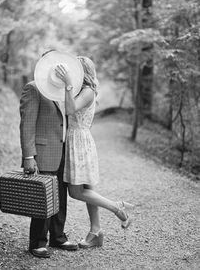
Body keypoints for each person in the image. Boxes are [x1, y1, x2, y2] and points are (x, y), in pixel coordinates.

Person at [55, 56, 133, 248]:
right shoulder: (83, 90)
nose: (72, 74)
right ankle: (96, 232)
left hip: (79, 142)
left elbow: (70, 109)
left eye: (75, 70)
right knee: (88, 190)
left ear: (84, 72)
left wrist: (67, 84)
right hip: (78, 140)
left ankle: (117, 208)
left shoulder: (89, 91)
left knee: (75, 191)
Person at [19, 53, 78, 258]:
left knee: (60, 196)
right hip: (42, 152)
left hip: (62, 151)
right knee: (42, 198)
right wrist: (28, 156)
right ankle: (37, 242)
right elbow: (27, 124)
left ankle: (58, 237)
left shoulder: (62, 89)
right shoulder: (33, 88)